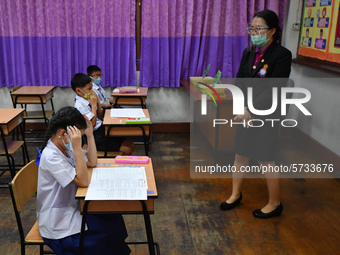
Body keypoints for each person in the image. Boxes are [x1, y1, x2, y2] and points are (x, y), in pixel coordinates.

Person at [220, 9, 292, 218]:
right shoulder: (249, 52)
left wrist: (250, 109)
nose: (254, 32)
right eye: (252, 28)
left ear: (271, 31)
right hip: (245, 112)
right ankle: (235, 194)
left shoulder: (282, 55)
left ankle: (275, 203)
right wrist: (242, 106)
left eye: (258, 28)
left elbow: (274, 89)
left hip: (267, 114)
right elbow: (240, 80)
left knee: (265, 158)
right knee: (240, 155)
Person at [36, 107, 130, 254]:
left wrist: (90, 136)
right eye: (79, 136)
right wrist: (77, 147)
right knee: (105, 236)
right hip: (59, 224)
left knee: (112, 216)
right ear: (63, 133)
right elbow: (83, 181)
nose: (79, 140)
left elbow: (92, 162)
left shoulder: (64, 146)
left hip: (73, 208)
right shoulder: (51, 156)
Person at [71, 73, 134, 154]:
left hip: (101, 129)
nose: (92, 91)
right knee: (127, 148)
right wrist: (93, 105)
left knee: (131, 144)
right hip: (94, 137)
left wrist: (97, 102)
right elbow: (92, 124)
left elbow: (100, 117)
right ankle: (118, 164)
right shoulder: (80, 105)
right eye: (89, 89)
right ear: (79, 91)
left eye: (92, 88)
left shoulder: (87, 98)